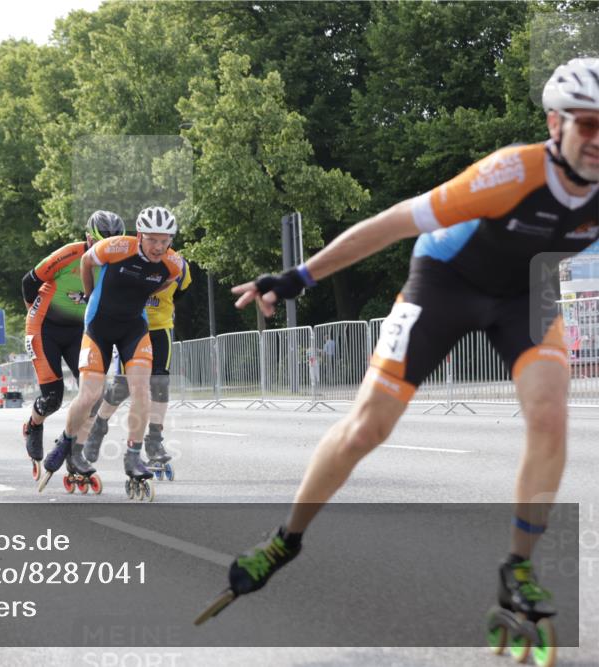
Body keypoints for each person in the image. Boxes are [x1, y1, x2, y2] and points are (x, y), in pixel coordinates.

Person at [203, 59, 598, 658]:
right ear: (554, 123)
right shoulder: (511, 172)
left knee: (550, 416)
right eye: (589, 125)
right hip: (442, 280)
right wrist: (297, 277)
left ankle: (516, 566)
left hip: (530, 291)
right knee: (369, 427)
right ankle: (287, 538)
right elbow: (390, 224)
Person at [38, 206, 184, 500]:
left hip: (134, 328)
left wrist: (138, 295)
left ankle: (133, 455)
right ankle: (67, 443)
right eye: (153, 239)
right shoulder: (114, 247)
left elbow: (165, 284)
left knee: (143, 389)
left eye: (165, 240)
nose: (159, 247)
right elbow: (84, 261)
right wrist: (92, 294)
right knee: (91, 394)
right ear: (140, 235)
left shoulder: (173, 264)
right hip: (98, 327)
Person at [20, 210, 126, 479]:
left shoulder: (121, 260)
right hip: (44, 327)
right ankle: (33, 425)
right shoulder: (69, 254)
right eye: (101, 245)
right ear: (89, 239)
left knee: (94, 396)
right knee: (52, 397)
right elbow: (28, 282)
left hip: (80, 331)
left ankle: (74, 452)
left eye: (112, 246)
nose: (107, 253)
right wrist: (33, 313)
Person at [82, 256, 192, 478]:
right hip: (130, 328)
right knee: (123, 386)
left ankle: (154, 440)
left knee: (160, 382)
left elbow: (180, 293)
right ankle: (99, 426)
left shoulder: (180, 266)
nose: (159, 246)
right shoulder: (131, 259)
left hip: (159, 327)